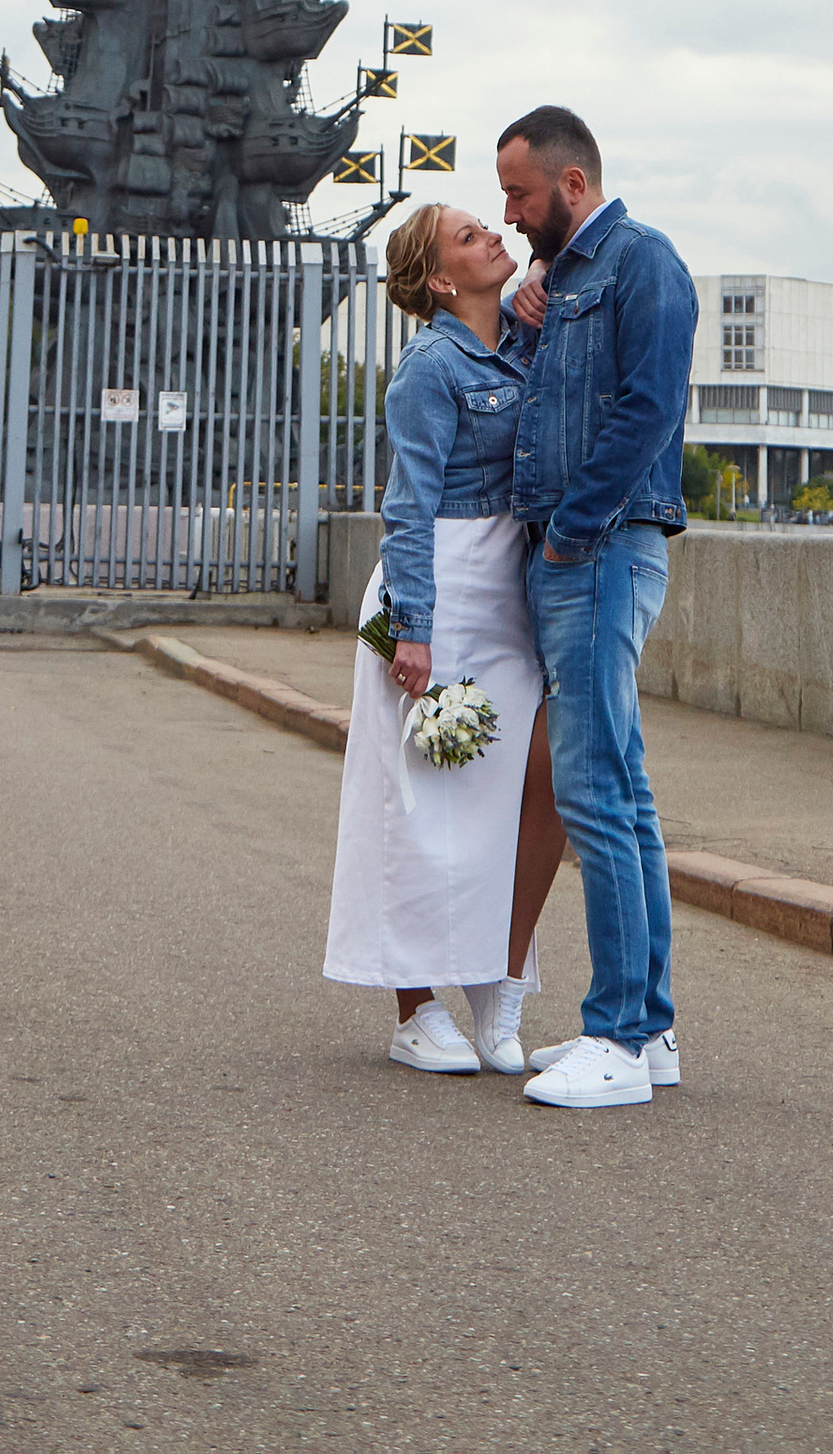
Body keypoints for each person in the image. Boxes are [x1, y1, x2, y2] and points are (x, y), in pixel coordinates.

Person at [324, 200, 566, 1074]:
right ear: (439, 279)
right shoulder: (430, 364)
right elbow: (407, 505)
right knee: (417, 798)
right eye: (471, 237)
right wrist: (412, 631)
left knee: (536, 781)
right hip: (439, 582)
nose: (493, 237)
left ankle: (501, 985)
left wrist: (541, 284)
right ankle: (414, 1007)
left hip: (510, 588)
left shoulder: (524, 342)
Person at [499, 104, 698, 1112]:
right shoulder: (565, 279)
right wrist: (528, 305)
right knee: (621, 787)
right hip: (582, 552)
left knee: (592, 790)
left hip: (602, 552)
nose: (509, 212)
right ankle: (649, 1031)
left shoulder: (641, 263)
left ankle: (616, 1036)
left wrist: (572, 528)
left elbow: (648, 408)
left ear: (572, 185)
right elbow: (544, 406)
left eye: (520, 194)